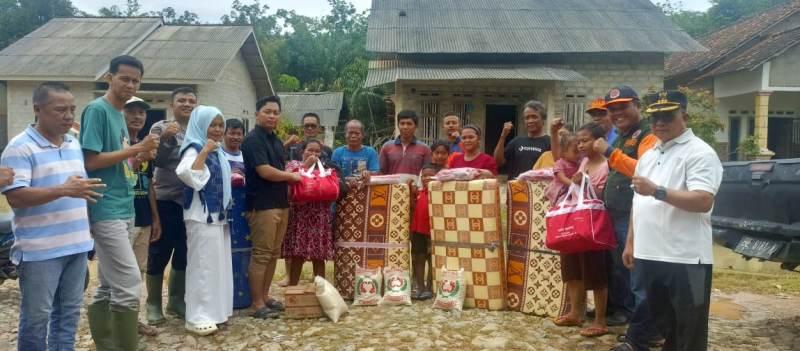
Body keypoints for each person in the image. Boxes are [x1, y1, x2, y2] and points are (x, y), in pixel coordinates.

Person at [1, 82, 103, 351]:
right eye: (60, 109)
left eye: (72, 109)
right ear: (37, 109)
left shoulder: (72, 142)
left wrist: (88, 229)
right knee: (37, 318)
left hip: (77, 244)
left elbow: (80, 191)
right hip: (40, 251)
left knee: (68, 315)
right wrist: (62, 190)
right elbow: (16, 196)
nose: (68, 115)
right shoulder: (20, 148)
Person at [620, 90, 723, 350]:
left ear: (684, 116)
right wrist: (631, 242)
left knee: (689, 331)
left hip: (685, 258)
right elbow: (637, 202)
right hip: (649, 254)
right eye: (655, 117)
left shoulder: (700, 153)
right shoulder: (649, 155)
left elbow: (703, 200)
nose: (660, 123)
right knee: (662, 326)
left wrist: (657, 190)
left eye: (668, 116)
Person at [81, 55, 159, 351]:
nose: (130, 84)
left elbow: (119, 162)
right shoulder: (97, 110)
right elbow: (90, 160)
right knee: (128, 283)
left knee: (108, 284)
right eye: (124, 78)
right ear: (109, 78)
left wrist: (138, 156)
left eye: (135, 80)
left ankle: (107, 343)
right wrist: (136, 149)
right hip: (106, 207)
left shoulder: (119, 114)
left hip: (125, 206)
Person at [592, 86, 660, 334]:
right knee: (618, 265)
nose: (617, 113)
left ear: (637, 106)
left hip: (633, 214)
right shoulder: (621, 135)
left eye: (623, 107)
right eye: (612, 110)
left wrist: (610, 152)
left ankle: (639, 322)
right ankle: (621, 309)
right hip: (615, 211)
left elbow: (644, 170)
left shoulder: (648, 135)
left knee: (633, 267)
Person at [241, 96, 302, 319]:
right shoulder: (252, 140)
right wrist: (292, 176)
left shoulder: (275, 140)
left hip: (280, 203)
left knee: (274, 253)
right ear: (257, 113)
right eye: (267, 111)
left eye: (276, 112)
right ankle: (256, 304)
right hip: (262, 205)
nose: (272, 116)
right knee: (261, 255)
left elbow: (278, 165)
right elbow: (264, 171)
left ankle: (265, 297)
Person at [175, 106, 233, 336]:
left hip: (217, 216)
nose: (218, 130)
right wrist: (204, 152)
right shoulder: (194, 147)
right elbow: (188, 175)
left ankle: (216, 313)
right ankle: (196, 317)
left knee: (216, 266)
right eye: (213, 125)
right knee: (202, 266)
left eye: (221, 125)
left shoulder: (217, 150)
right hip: (200, 215)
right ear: (201, 125)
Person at [553, 123, 611, 338]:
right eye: (579, 141)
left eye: (585, 140)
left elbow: (603, 196)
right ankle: (575, 313)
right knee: (572, 270)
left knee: (595, 272)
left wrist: (584, 182)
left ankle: (600, 320)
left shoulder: (607, 164)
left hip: (594, 225)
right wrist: (577, 181)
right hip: (575, 222)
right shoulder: (584, 161)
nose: (581, 145)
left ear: (599, 141)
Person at [146, 87, 198, 324]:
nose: (186, 104)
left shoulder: (199, 131)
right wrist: (167, 138)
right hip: (166, 199)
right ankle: (153, 304)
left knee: (185, 252)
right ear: (172, 104)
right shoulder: (160, 128)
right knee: (160, 251)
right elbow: (158, 161)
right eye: (182, 100)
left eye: (191, 101)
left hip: (192, 200)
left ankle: (177, 300)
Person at [123, 96, 161, 337]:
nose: (137, 116)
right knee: (121, 273)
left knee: (139, 272)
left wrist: (156, 218)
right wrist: (137, 158)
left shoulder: (144, 145)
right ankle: (119, 323)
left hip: (144, 217)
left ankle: (134, 319)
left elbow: (149, 185)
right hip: (123, 218)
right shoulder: (119, 144)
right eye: (132, 112)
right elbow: (122, 176)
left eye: (141, 113)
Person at [283, 139, 345, 285]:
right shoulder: (293, 165)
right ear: (301, 151)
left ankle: (322, 289)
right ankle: (293, 288)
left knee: (319, 255)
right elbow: (289, 182)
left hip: (320, 216)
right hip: (300, 216)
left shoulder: (326, 169)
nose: (314, 153)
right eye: (310, 150)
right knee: (297, 254)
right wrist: (306, 165)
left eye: (317, 151)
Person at [221, 118, 251, 309]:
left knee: (246, 253)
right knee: (225, 253)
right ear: (224, 134)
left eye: (239, 133)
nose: (235, 137)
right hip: (225, 211)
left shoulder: (246, 156)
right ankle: (226, 299)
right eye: (231, 133)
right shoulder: (218, 155)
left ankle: (245, 296)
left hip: (245, 211)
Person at [493, 100, 551, 179]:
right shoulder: (516, 141)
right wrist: (503, 136)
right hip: (516, 189)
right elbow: (498, 162)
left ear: (543, 119)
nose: (530, 121)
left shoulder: (550, 142)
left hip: (538, 189)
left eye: (534, 117)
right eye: (527, 118)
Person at [409, 163, 442, 300]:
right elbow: (412, 207)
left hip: (432, 231)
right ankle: (420, 287)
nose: (427, 178)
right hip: (417, 231)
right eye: (424, 176)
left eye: (431, 175)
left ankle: (429, 287)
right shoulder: (419, 193)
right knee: (418, 258)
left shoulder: (439, 193)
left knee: (432, 259)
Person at [380, 110, 432, 175]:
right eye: (402, 123)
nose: (405, 127)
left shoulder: (425, 149)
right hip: (392, 185)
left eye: (409, 124)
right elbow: (382, 172)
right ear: (398, 125)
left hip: (415, 185)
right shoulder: (387, 147)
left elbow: (427, 173)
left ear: (416, 126)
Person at [545, 131, 580, 206]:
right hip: (560, 190)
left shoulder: (579, 163)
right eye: (575, 152)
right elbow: (562, 178)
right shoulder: (560, 163)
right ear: (564, 152)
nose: (579, 155)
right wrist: (575, 185)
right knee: (561, 206)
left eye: (580, 151)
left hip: (572, 190)